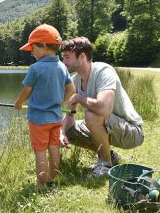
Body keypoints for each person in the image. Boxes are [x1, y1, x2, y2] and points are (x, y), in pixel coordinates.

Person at [59, 37, 144, 178]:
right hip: (110, 127)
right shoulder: (75, 80)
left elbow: (104, 109)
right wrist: (61, 132)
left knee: (91, 116)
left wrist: (79, 98)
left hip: (131, 132)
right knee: (67, 129)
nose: (64, 62)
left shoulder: (104, 71)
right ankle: (110, 156)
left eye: (67, 57)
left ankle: (105, 165)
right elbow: (69, 114)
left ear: (82, 56)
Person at [15, 24, 75, 188]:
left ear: (43, 45)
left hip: (39, 120)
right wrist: (59, 101)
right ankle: (51, 180)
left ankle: (42, 184)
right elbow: (72, 89)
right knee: (54, 148)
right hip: (55, 118)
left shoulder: (35, 68)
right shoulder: (62, 67)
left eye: (33, 48)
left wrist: (19, 103)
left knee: (40, 151)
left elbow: (26, 91)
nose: (31, 52)